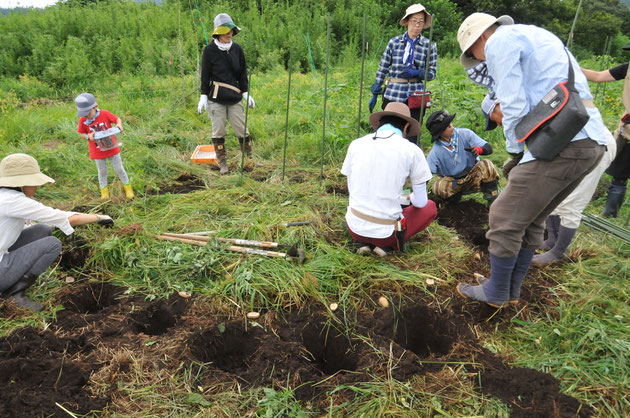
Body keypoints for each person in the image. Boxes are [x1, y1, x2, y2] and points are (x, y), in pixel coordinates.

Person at [455, 13, 608, 307]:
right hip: (589, 140)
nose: (479, 61)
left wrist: (516, 152)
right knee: (531, 218)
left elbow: (512, 102)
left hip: (562, 141)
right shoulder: (538, 36)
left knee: (502, 215)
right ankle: (509, 290)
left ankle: (497, 291)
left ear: (481, 39)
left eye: (474, 55)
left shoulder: (500, 41)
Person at [481, 94, 617, 265]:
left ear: (498, 105)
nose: (498, 124)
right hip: (568, 146)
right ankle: (552, 240)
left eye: (495, 120)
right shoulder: (528, 107)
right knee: (551, 193)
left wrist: (517, 159)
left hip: (591, 143)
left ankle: (558, 252)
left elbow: (519, 142)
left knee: (571, 202)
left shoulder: (517, 107)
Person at [0, 153, 114, 311]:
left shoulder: (4, 197)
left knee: (42, 229)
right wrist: (99, 218)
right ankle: (14, 295)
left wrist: (53, 225)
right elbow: (65, 218)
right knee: (52, 244)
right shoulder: (15, 201)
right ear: (23, 182)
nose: (37, 186)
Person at [341, 102, 437, 256]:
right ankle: (385, 247)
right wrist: (410, 197)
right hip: (387, 233)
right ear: (406, 127)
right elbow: (421, 202)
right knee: (430, 207)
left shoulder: (356, 144)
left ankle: (362, 243)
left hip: (355, 227)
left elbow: (352, 189)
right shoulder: (412, 150)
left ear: (380, 123)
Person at [369, 3, 437, 146]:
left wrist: (418, 73)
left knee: (412, 134)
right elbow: (383, 67)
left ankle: (410, 164)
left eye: (420, 21)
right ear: (406, 21)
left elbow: (431, 73)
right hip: (394, 92)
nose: (417, 25)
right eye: (414, 21)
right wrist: (376, 89)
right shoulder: (394, 42)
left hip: (415, 95)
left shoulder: (429, 45)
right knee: (389, 132)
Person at [198, 13, 255, 175]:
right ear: (218, 33)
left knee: (242, 129)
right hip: (216, 98)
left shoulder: (237, 49)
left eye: (231, 31)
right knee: (219, 131)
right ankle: (223, 163)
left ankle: (249, 160)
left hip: (235, 96)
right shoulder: (209, 51)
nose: (229, 34)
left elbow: (242, 73)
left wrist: (246, 93)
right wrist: (203, 97)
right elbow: (205, 76)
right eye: (225, 31)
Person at [581, 42, 630, 218]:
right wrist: (570, 66)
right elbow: (597, 75)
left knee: (619, 176)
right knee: (619, 175)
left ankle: (610, 215)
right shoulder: (627, 68)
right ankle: (609, 215)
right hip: (627, 131)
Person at [425, 109, 499, 207]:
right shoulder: (436, 152)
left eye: (450, 123)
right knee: (437, 187)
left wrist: (479, 150)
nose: (451, 126)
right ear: (440, 132)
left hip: (473, 176)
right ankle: (453, 205)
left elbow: (489, 149)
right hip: (454, 183)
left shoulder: (465, 134)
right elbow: (425, 174)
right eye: (447, 126)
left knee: (487, 165)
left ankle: (493, 203)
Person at [75, 92, 134, 200]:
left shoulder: (104, 114)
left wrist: (119, 125)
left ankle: (128, 188)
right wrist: (88, 136)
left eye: (88, 113)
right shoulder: (83, 120)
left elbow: (117, 119)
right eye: (84, 114)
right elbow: (81, 134)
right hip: (97, 151)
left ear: (95, 107)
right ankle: (104, 191)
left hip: (112, 147)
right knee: (102, 171)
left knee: (119, 168)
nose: (86, 116)